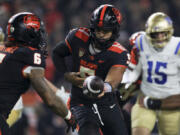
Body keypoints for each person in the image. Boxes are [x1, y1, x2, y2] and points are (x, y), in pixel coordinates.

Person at [52, 4, 129, 135]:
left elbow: (113, 81)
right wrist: (66, 74)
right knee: (89, 131)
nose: (100, 35)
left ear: (114, 31)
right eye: (98, 30)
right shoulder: (77, 36)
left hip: (106, 103)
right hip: (80, 101)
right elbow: (57, 53)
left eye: (105, 31)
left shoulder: (119, 53)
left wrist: (101, 87)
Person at [0, 12, 74, 135]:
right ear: (29, 33)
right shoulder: (30, 55)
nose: (41, 36)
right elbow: (49, 99)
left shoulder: (4, 49)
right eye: (39, 32)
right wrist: (69, 116)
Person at [129, 12, 180, 135]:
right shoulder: (141, 43)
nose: (160, 37)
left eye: (163, 33)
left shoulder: (177, 47)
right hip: (145, 99)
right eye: (155, 34)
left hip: (171, 104)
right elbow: (132, 74)